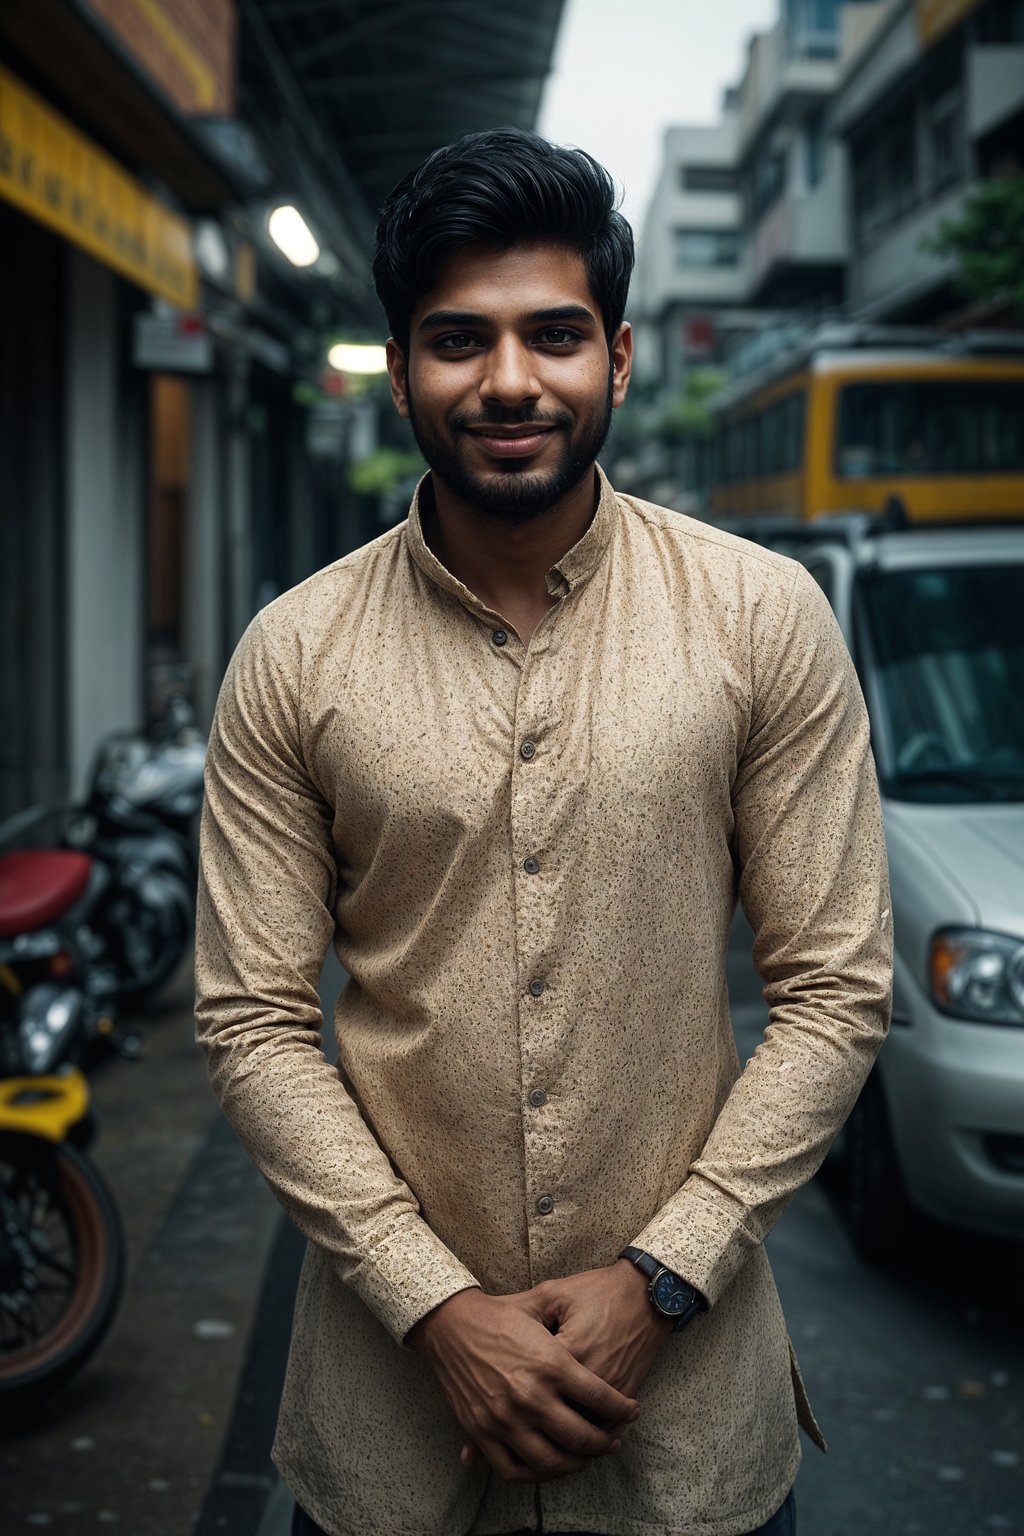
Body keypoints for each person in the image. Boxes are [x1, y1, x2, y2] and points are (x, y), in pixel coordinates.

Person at [195, 128, 892, 1536]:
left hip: (689, 1423)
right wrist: (433, 1303)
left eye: (554, 335)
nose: (509, 382)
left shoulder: (761, 620)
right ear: (400, 370)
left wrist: (665, 1278)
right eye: (459, 340)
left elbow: (836, 990)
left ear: (618, 359)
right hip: (393, 1430)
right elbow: (252, 1019)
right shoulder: (295, 654)